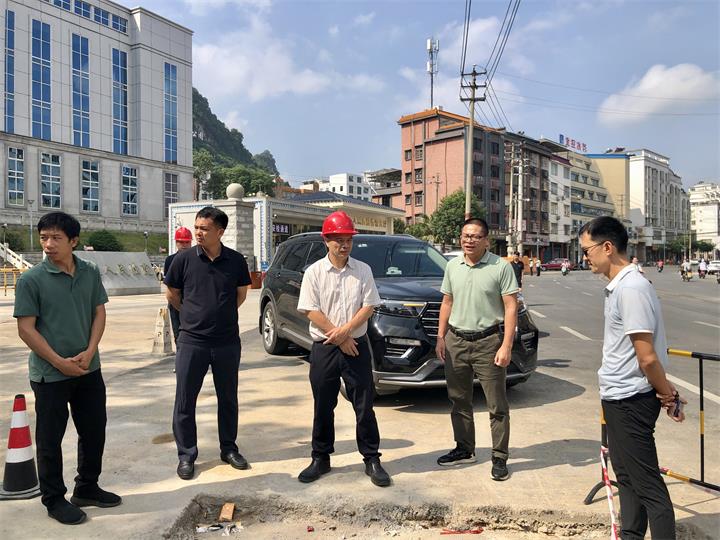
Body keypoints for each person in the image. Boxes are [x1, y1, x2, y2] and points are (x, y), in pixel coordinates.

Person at [579, 216, 685, 540]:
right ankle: (631, 535)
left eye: (587, 250)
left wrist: (667, 395)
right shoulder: (620, 286)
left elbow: (647, 356)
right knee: (625, 476)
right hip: (617, 396)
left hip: (630, 401)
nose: (584, 257)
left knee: (648, 486)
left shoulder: (631, 288)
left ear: (607, 247)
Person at [14, 212, 121, 525]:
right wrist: (59, 362)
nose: (48, 244)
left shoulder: (89, 272)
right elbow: (26, 329)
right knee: (50, 440)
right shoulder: (31, 280)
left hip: (88, 368)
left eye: (56, 238)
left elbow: (98, 313)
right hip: (50, 374)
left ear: (74, 241)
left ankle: (87, 487)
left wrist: (90, 351)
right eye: (44, 237)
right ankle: (54, 499)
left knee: (93, 430)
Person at [296, 211, 390, 487]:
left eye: (348, 239)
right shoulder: (314, 272)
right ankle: (320, 457)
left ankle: (371, 458)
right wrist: (339, 337)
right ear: (326, 240)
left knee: (364, 405)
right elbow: (310, 309)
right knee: (323, 405)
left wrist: (346, 332)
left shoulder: (363, 270)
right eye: (338, 240)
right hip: (324, 347)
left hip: (356, 347)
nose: (344, 245)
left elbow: (369, 306)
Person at [164, 207, 252, 480]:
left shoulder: (235, 261)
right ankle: (186, 455)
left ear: (220, 232)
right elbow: (172, 293)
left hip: (227, 342)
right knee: (185, 400)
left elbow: (241, 294)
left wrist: (220, 314)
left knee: (228, 398)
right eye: (197, 227)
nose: (198, 233)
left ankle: (229, 449)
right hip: (193, 341)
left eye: (204, 228)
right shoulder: (183, 259)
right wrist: (192, 316)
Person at [435, 218, 518, 481]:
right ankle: (464, 449)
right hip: (456, 341)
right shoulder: (452, 265)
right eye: (465, 236)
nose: (468, 240)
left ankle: (499, 457)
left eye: (475, 236)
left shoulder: (500, 267)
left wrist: (506, 345)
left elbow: (511, 307)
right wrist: (440, 336)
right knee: (458, 399)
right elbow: (447, 302)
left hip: (488, 342)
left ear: (486, 241)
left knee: (497, 404)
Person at [163, 227, 193, 353]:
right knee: (178, 332)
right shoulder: (170, 260)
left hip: (192, 301)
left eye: (187, 242)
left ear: (191, 242)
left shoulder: (197, 259)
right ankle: (181, 356)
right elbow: (169, 285)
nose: (184, 245)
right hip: (175, 302)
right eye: (181, 242)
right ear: (176, 242)